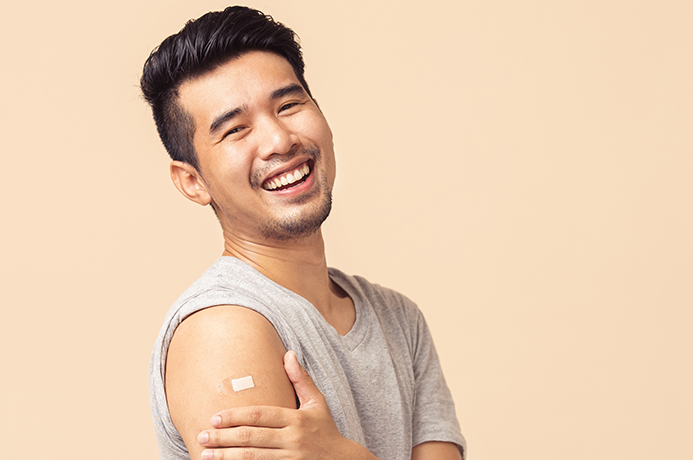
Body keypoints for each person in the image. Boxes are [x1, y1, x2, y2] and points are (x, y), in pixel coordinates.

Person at [141, 6, 465, 460]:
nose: (279, 140)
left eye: (289, 105)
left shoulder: (399, 320)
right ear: (192, 181)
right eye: (236, 129)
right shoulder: (224, 329)